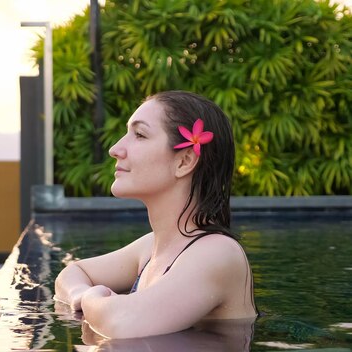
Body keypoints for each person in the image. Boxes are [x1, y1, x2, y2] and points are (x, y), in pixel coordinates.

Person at [53, 90, 258, 339]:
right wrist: (79, 295)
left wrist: (92, 298)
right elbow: (72, 273)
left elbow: (120, 323)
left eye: (139, 134)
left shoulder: (217, 252)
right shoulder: (151, 247)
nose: (115, 149)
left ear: (184, 161)